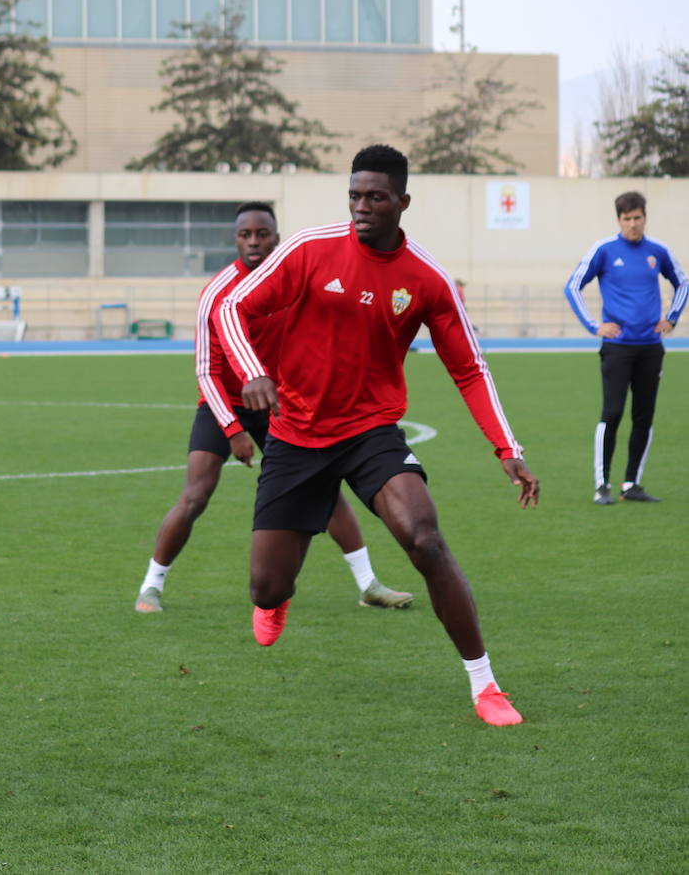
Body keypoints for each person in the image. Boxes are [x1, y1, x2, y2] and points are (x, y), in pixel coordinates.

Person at [218, 145, 538, 727]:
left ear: (402, 202)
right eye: (354, 196)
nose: (362, 208)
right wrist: (253, 372)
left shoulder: (428, 280)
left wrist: (507, 449)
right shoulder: (311, 249)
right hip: (296, 434)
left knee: (425, 538)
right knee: (265, 587)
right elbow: (232, 306)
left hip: (371, 431)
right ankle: (277, 597)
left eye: (375, 198)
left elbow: (469, 368)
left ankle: (485, 684)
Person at [136, 202, 413, 614]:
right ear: (235, 240)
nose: (253, 242)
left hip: (280, 405)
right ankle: (151, 586)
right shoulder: (217, 292)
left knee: (326, 490)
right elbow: (206, 371)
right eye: (245, 235)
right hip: (224, 404)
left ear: (276, 238)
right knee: (196, 494)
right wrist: (233, 430)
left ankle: (368, 583)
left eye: (262, 234)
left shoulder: (295, 283)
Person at [564, 191, 685, 505]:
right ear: (619, 220)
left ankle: (632, 483)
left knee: (643, 416)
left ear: (645, 218)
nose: (633, 224)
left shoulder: (658, 251)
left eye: (638, 218)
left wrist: (671, 318)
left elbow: (682, 283)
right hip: (617, 348)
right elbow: (573, 286)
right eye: (627, 218)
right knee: (613, 413)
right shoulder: (604, 250)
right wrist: (594, 326)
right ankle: (602, 485)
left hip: (650, 347)